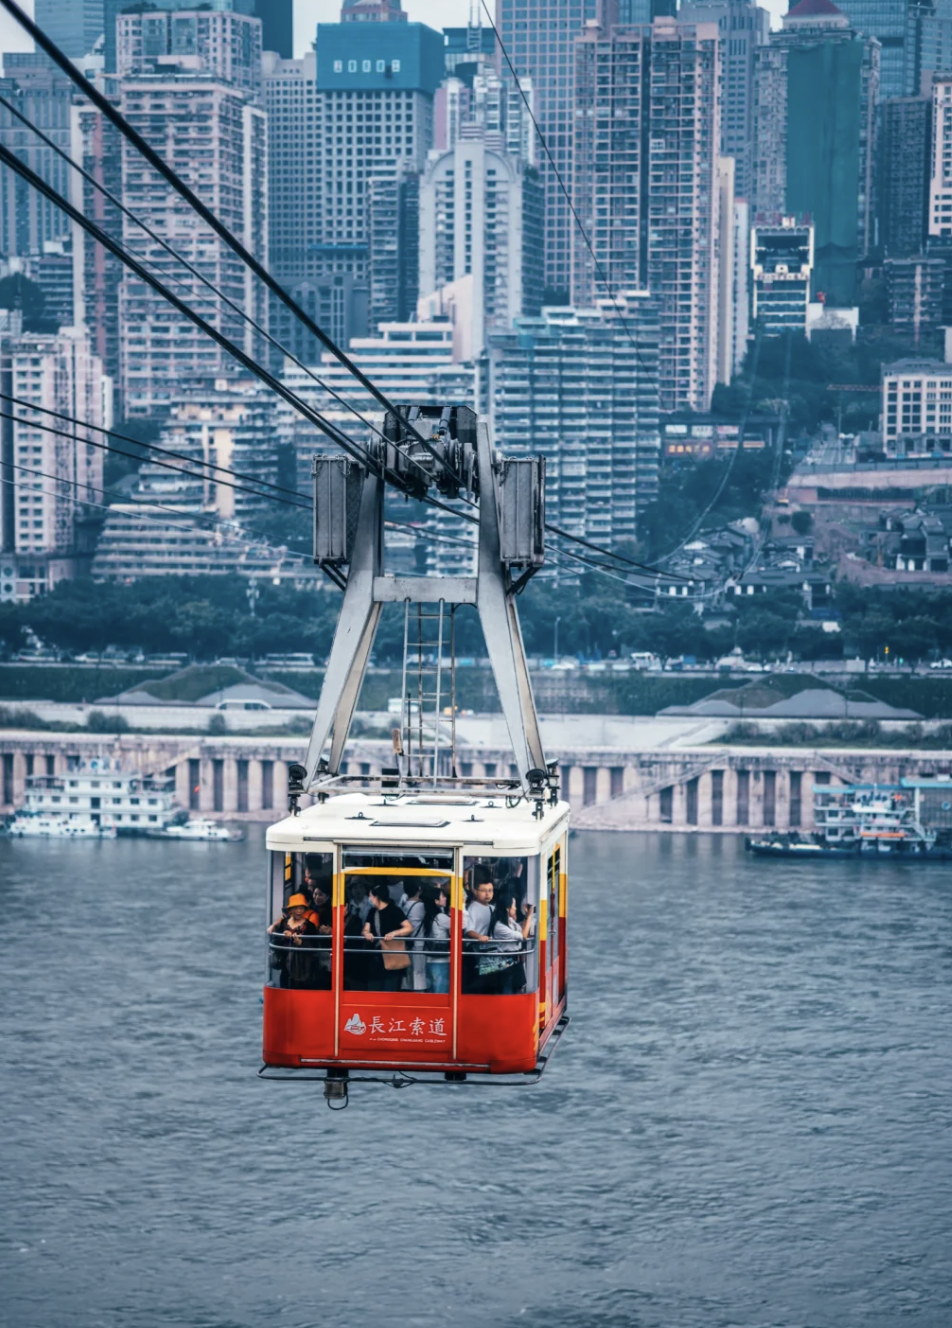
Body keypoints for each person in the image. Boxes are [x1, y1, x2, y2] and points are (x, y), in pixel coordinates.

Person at [362, 882, 412, 991]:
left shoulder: (395, 911)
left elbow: (408, 928)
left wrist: (394, 933)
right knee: (374, 991)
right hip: (375, 959)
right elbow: (365, 929)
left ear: (377, 897)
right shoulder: (372, 912)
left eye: (371, 896)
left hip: (392, 958)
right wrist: (367, 933)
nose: (370, 899)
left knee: (390, 991)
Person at [484, 894, 534, 994]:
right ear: (507, 908)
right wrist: (529, 917)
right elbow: (523, 936)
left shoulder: (510, 921)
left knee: (517, 990)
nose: (515, 908)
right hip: (506, 965)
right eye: (514, 905)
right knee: (507, 991)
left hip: (515, 963)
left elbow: (522, 931)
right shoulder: (499, 926)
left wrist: (525, 916)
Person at [267, 893, 317, 990]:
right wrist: (283, 937)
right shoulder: (284, 922)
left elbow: (314, 946)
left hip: (302, 964)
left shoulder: (310, 926)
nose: (299, 911)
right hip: (285, 963)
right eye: (296, 908)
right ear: (290, 910)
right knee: (284, 985)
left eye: (301, 908)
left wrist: (301, 943)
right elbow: (275, 941)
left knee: (301, 987)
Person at [462, 866, 494, 993]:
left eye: (490, 891)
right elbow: (468, 930)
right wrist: (479, 937)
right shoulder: (473, 908)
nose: (488, 894)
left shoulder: (492, 908)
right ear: (475, 891)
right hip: (476, 951)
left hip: (487, 951)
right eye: (484, 891)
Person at [422, 882, 451, 993]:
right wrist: (462, 903)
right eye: (442, 896)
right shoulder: (440, 917)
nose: (446, 898)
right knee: (441, 994)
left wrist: (437, 889)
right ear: (436, 901)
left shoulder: (429, 915)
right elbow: (461, 924)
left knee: (431, 995)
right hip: (441, 961)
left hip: (429, 960)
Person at [400, 880, 427, 992]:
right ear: (419, 890)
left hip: (406, 944)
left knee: (408, 973)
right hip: (418, 944)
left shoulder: (403, 905)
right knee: (418, 973)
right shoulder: (421, 906)